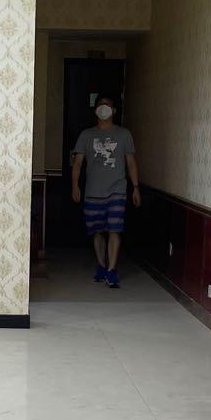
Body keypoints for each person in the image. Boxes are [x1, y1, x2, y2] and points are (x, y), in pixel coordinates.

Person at [71, 95, 140, 288]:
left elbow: (131, 162)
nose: (104, 108)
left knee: (115, 229)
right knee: (98, 231)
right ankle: (101, 266)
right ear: (95, 110)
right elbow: (77, 163)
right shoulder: (86, 135)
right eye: (100, 104)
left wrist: (135, 187)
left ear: (114, 110)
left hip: (117, 189)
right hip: (93, 191)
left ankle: (112, 270)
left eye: (108, 105)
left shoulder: (124, 134)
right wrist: (75, 185)